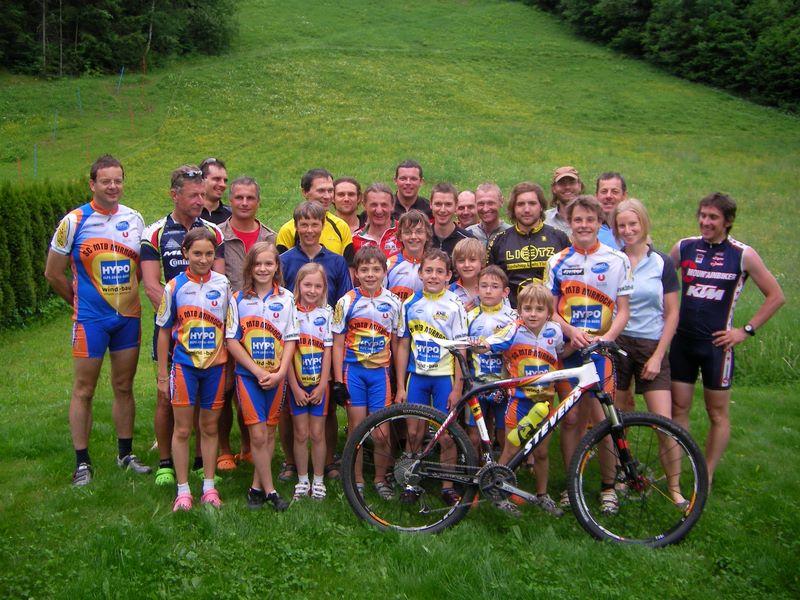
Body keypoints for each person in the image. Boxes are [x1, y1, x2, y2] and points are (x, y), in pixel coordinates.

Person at [45, 154, 150, 486]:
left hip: (128, 318)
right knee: (84, 389)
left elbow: (140, 268)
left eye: (118, 180)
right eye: (106, 181)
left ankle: (125, 454)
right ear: (93, 184)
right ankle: (82, 462)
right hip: (91, 320)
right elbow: (53, 273)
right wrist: (79, 304)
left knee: (124, 386)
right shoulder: (74, 221)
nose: (113, 186)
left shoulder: (134, 218)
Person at [669, 192, 784, 485]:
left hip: (717, 346)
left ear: (728, 221)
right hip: (682, 342)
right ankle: (675, 475)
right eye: (703, 215)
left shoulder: (743, 254)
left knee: (717, 413)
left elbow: (776, 296)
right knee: (678, 409)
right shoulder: (684, 247)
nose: (706, 222)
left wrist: (745, 331)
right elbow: (660, 283)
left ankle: (706, 474)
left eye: (713, 217)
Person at [545, 195, 632, 512]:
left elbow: (624, 310)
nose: (583, 225)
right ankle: (572, 485)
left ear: (599, 223)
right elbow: (550, 310)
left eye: (589, 220)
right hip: (569, 351)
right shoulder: (556, 261)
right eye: (577, 220)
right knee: (570, 421)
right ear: (569, 223)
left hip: (600, 352)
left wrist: (607, 338)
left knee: (603, 420)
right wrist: (570, 331)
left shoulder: (617, 260)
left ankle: (608, 487)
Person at [141, 165, 225, 486]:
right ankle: (166, 461)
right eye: (193, 196)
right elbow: (151, 285)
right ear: (174, 195)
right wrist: (178, 319)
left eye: (203, 194)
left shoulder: (213, 231)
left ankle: (202, 461)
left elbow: (219, 280)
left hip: (208, 329)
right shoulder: (155, 233)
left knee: (204, 398)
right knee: (166, 395)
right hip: (173, 326)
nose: (200, 201)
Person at [156, 228, 233, 511]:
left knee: (210, 427)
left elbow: (230, 330)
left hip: (215, 366)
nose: (203, 259)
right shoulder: (174, 286)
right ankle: (183, 490)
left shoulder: (223, 284)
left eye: (209, 254)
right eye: (197, 253)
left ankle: (209, 487)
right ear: (185, 253)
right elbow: (163, 331)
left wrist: (229, 368)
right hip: (185, 367)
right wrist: (162, 374)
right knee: (183, 428)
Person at [279, 201, 351, 483]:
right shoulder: (285, 260)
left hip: (325, 341)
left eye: (314, 224)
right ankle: (290, 461)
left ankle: (329, 459)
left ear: (322, 226)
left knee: (327, 405)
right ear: (296, 227)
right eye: (304, 224)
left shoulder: (336, 261)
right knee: (289, 406)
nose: (309, 230)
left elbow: (343, 301)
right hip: (293, 341)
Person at [487, 283, 571, 516]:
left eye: (539, 309)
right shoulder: (514, 330)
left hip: (545, 402)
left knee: (541, 452)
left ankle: (543, 495)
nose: (533, 314)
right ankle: (499, 494)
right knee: (511, 449)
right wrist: (478, 345)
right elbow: (492, 343)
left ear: (549, 312)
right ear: (519, 310)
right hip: (519, 402)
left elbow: (560, 353)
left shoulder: (555, 331)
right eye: (527, 309)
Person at [394, 249, 468, 506]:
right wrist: (400, 384)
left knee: (446, 435)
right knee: (414, 433)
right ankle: (411, 481)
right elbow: (403, 345)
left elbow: (461, 349)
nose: (433, 276)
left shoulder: (455, 305)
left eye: (439, 271)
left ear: (448, 276)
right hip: (417, 376)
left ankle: (448, 486)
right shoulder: (409, 304)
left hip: (443, 378)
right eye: (428, 270)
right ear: (420, 273)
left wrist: (457, 388)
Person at [226, 242, 294, 511]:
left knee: (268, 433)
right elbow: (231, 340)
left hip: (277, 375)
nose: (263, 269)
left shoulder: (287, 298)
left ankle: (255, 488)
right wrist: (256, 371)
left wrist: (281, 372)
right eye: (258, 264)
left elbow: (291, 338)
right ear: (249, 268)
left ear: (277, 266)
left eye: (269, 263)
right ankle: (271, 491)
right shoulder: (238, 299)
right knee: (257, 435)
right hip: (248, 375)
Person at [216, 176, 277, 471]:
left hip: (260, 323)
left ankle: (247, 445)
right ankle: (224, 449)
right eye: (238, 197)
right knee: (225, 387)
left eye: (250, 198)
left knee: (248, 384)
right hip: (223, 321)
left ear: (258, 202)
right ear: (230, 201)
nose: (244, 203)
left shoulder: (270, 237)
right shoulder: (218, 235)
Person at [332, 246, 402, 498]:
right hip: (354, 372)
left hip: (380, 374)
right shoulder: (346, 301)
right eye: (364, 270)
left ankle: (381, 479)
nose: (370, 274)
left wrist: (400, 382)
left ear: (384, 272)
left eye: (376, 269)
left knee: (382, 432)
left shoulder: (394, 302)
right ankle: (357, 479)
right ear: (356, 273)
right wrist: (337, 381)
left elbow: (398, 343)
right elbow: (337, 342)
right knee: (356, 429)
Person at [610, 198, 679, 417]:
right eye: (622, 226)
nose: (628, 230)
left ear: (643, 223)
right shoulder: (613, 261)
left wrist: (658, 356)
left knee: (663, 421)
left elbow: (672, 313)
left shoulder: (662, 262)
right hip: (618, 342)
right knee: (615, 419)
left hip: (650, 343)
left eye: (633, 224)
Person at [287, 263, 334, 501]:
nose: (312, 290)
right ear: (299, 285)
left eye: (318, 286)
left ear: (324, 288)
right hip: (297, 383)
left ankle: (318, 480)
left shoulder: (327, 313)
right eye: (307, 285)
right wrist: (294, 387)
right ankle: (302, 480)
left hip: (318, 385)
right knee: (300, 433)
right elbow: (286, 353)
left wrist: (323, 384)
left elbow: (328, 351)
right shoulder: (290, 311)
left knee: (317, 434)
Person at [487, 182, 569, 307]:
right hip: (512, 313)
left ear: (541, 206)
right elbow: (490, 283)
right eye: (520, 204)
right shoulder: (499, 241)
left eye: (532, 203)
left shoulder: (559, 238)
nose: (526, 209)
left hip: (552, 312)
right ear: (513, 208)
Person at [464, 266, 516, 455]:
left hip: (503, 386)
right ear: (476, 289)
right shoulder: (469, 316)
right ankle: (477, 468)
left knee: (504, 435)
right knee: (474, 436)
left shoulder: (513, 317)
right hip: (476, 385)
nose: (488, 291)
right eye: (484, 286)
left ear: (505, 292)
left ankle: (505, 468)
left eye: (494, 287)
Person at [275, 168, 354, 263]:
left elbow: (349, 268)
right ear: (305, 192)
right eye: (321, 191)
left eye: (330, 191)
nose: (327, 196)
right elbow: (280, 268)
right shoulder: (288, 230)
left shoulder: (341, 227)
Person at [385, 210, 432, 302]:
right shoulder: (389, 264)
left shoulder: (435, 265)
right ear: (400, 236)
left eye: (419, 232)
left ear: (427, 235)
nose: (413, 236)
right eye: (408, 232)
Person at [352, 183, 400, 257]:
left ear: (392, 205)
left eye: (384, 205)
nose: (379, 211)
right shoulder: (355, 239)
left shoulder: (404, 231)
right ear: (364, 205)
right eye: (374, 205)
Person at [430, 182, 474, 259]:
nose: (443, 210)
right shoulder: (421, 238)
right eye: (438, 204)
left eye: (448, 204)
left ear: (456, 206)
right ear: (430, 204)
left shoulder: (468, 241)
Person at [467, 182, 511, 247]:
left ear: (501, 202)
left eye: (490, 203)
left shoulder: (512, 234)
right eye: (481, 204)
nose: (485, 209)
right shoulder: (468, 234)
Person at [544, 166, 583, 235]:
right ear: (554, 188)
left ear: (579, 186)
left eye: (572, 183)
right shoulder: (544, 220)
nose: (567, 187)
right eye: (562, 183)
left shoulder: (592, 218)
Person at [449, 237, 486, 312]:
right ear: (455, 264)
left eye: (472, 260)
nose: (467, 265)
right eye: (461, 260)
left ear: (482, 262)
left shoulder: (492, 288)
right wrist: (461, 313)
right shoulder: (449, 292)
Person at [595, 172, 628, 249]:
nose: (608, 196)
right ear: (596, 196)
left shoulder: (632, 230)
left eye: (614, 192)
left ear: (624, 196)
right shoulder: (588, 229)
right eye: (604, 191)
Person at [199, 157, 231, 225]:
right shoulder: (189, 215)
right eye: (217, 179)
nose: (223, 185)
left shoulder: (232, 217)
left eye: (225, 181)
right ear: (202, 180)